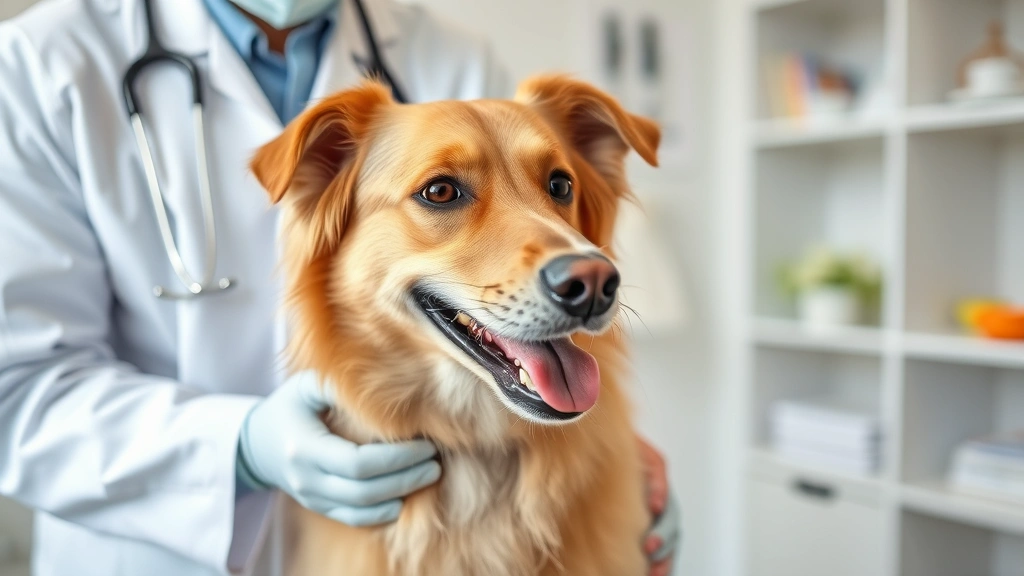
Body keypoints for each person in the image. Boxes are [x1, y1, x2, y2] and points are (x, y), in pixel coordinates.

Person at [0, 0, 681, 574]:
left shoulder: (450, 54)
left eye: (556, 184)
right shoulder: (40, 63)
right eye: (443, 191)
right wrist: (239, 445)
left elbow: (539, 261)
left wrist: (610, 452)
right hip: (157, 550)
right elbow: (16, 387)